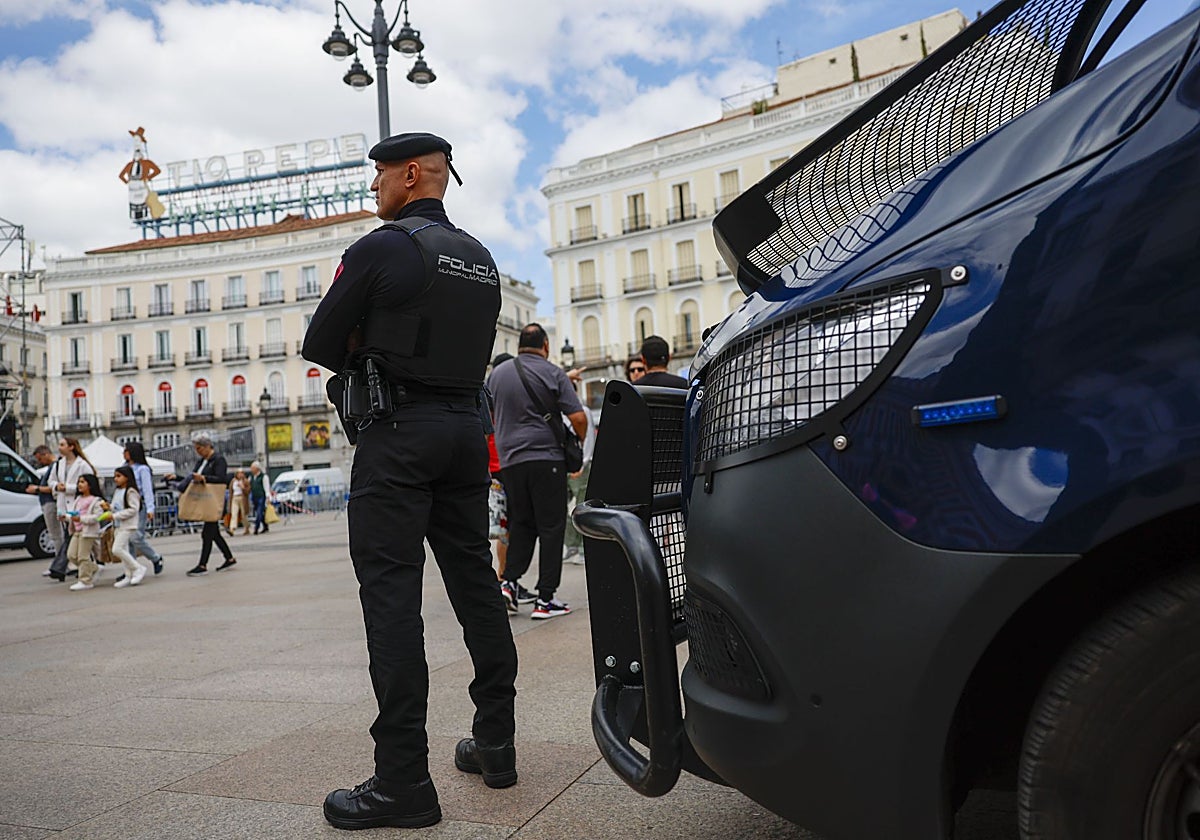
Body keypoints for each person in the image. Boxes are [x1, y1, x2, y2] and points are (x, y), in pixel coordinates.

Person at [301, 131, 519, 831]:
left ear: (413, 174)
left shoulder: (382, 247)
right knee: (476, 586)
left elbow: (321, 343)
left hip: (398, 436)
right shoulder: (481, 260)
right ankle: (496, 742)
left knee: (392, 599)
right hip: (464, 432)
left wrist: (372, 338)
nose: (373, 190)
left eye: (379, 177)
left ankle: (402, 782)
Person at [486, 323, 587, 619]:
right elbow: (579, 418)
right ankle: (545, 599)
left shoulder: (496, 376)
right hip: (546, 459)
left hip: (510, 463)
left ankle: (509, 583)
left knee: (522, 525)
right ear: (545, 345)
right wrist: (576, 442)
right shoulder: (553, 372)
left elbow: (486, 419)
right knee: (552, 527)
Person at [165, 434, 236, 576]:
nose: (197, 451)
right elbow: (193, 476)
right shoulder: (201, 461)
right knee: (214, 533)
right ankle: (229, 557)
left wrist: (204, 478)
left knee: (207, 534)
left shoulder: (219, 460)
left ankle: (202, 565)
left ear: (207, 446)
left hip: (212, 500)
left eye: (199, 448)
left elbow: (221, 479)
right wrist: (177, 477)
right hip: (205, 501)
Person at [47, 437, 96, 582]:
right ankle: (89, 563)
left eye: (62, 445)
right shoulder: (58, 464)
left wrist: (68, 488)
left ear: (71, 447)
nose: (59, 447)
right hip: (63, 505)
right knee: (73, 536)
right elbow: (51, 480)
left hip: (78, 504)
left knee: (73, 536)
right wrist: (56, 486)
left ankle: (59, 567)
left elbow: (90, 482)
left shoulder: (82, 464)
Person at [102, 466, 149, 588]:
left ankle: (138, 568)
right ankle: (128, 575)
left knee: (116, 549)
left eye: (119, 476)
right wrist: (109, 508)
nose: (115, 479)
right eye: (115, 476)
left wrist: (115, 515)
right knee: (124, 549)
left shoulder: (131, 491)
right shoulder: (118, 491)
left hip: (127, 525)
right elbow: (116, 506)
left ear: (127, 477)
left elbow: (133, 509)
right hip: (118, 525)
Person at [123, 442, 164, 575]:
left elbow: (147, 489)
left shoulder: (142, 469)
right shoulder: (124, 467)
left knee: (136, 537)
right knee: (127, 538)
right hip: (127, 505)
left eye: (126, 451)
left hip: (140, 505)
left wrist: (150, 508)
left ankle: (155, 557)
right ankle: (131, 567)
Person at [562, 405, 596, 565]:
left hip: (580, 465)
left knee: (581, 507)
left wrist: (583, 463)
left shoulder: (583, 410)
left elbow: (589, 438)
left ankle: (583, 548)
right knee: (559, 508)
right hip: (561, 466)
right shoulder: (554, 409)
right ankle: (571, 544)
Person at [25, 444, 63, 577]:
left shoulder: (55, 466)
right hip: (48, 502)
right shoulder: (53, 467)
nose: (40, 462)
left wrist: (37, 489)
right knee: (56, 534)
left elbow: (55, 487)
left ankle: (60, 564)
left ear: (45, 454)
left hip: (51, 502)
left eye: (40, 459)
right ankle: (60, 562)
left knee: (56, 534)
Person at [66, 474, 105, 591]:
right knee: (71, 555)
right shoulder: (78, 499)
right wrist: (66, 517)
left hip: (88, 531)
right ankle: (94, 568)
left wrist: (81, 519)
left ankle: (85, 580)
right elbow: (74, 515)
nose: (79, 485)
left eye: (83, 482)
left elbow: (97, 517)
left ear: (90, 485)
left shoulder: (96, 501)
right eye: (79, 482)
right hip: (77, 530)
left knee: (83, 556)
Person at [249, 461, 269, 535]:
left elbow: (266, 487)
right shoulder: (251, 477)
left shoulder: (264, 477)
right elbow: (249, 486)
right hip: (254, 497)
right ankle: (265, 526)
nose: (251, 469)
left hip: (261, 496)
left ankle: (256, 528)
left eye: (252, 468)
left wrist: (267, 497)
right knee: (260, 512)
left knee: (259, 512)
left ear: (257, 468)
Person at [229, 469, 250, 535]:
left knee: (244, 515)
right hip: (235, 498)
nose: (240, 475)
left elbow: (248, 491)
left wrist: (242, 487)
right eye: (238, 473)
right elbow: (231, 491)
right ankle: (232, 528)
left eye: (241, 473)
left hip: (242, 498)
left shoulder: (245, 481)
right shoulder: (233, 481)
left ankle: (247, 527)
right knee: (234, 513)